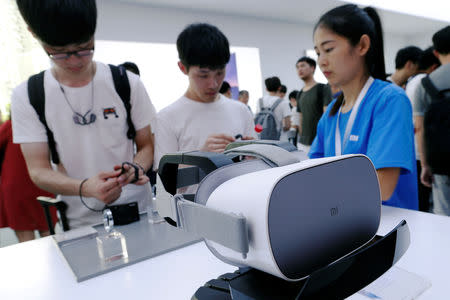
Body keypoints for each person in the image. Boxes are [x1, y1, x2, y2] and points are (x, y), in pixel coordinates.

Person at [11, 0, 156, 229]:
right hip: (79, 222)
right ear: (33, 34)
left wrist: (135, 168)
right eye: (59, 53)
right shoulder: (29, 95)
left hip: (138, 211)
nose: (75, 60)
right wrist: (85, 187)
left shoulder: (126, 83)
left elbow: (147, 146)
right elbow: (38, 170)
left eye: (84, 48)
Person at [309, 4, 418, 210]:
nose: (321, 62)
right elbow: (310, 172)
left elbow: (382, 186)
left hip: (387, 230)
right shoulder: (331, 114)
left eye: (329, 49)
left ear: (362, 45)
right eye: (317, 53)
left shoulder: (390, 100)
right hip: (344, 223)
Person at [154, 23, 255, 169]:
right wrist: (200, 158)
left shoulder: (241, 110)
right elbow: (165, 184)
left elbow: (254, 169)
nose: (213, 84)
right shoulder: (167, 118)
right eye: (203, 75)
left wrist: (255, 156)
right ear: (183, 68)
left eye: (220, 73)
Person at [0, 119, 57, 242]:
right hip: (43, 181)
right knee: (49, 235)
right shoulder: (43, 121)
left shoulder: (11, 125)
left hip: (16, 185)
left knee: (26, 240)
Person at [413, 25, 450, 216]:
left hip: (442, 162)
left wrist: (426, 165)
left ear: (436, 52)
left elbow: (419, 129)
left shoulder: (425, 84)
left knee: (444, 215)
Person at [405, 46, 440, 212]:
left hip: (415, 149)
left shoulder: (412, 81)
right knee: (425, 203)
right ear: (434, 66)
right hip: (422, 151)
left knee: (422, 201)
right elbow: (419, 124)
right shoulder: (424, 82)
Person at [295, 56, 332, 152]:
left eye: (303, 66)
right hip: (302, 143)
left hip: (319, 142)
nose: (300, 69)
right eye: (297, 67)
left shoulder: (322, 88)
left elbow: (327, 116)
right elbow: (300, 117)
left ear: (312, 68)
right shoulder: (300, 93)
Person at [256, 76, 291, 142]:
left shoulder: (260, 101)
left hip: (262, 139)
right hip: (279, 140)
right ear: (279, 87)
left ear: (266, 89)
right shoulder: (283, 102)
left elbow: (257, 122)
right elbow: (287, 125)